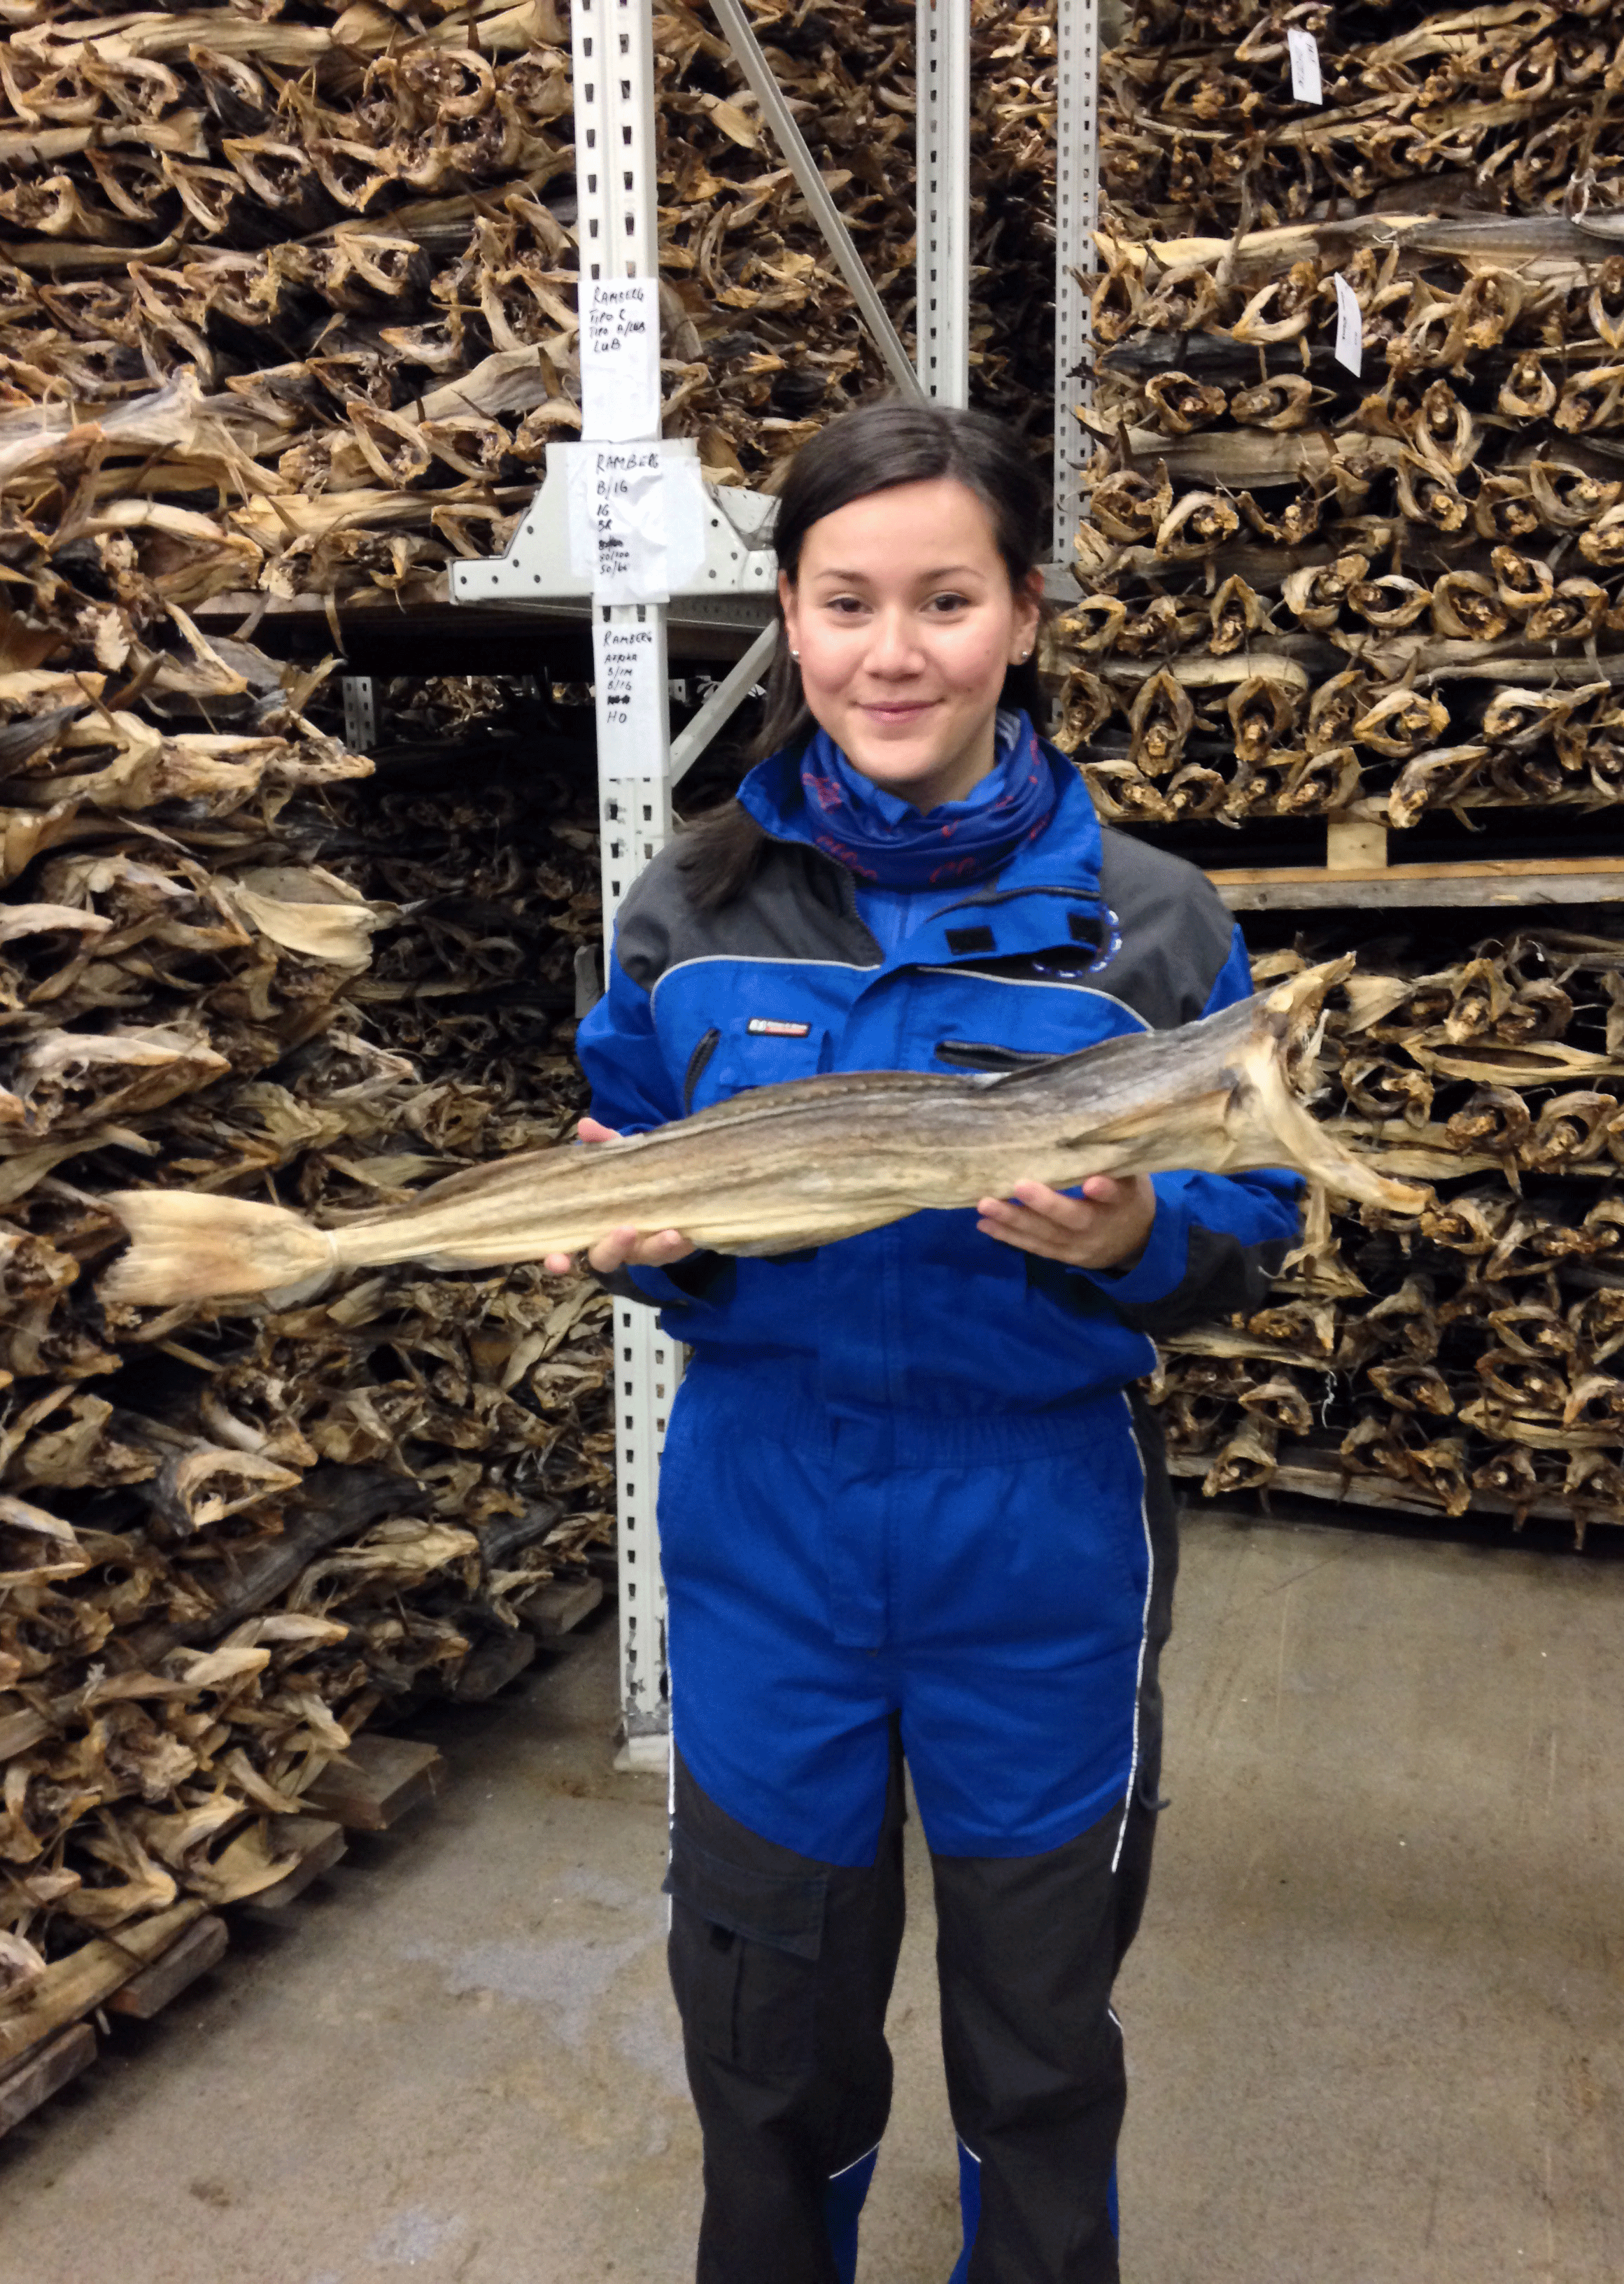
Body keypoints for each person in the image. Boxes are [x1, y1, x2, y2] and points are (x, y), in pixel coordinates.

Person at [551, 400, 1301, 2284]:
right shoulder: (687, 918)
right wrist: (633, 1246)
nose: (894, 652)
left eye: (945, 599)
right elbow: (645, 1188)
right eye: (846, 601)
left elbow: (1253, 1222)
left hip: (1038, 1537)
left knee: (1040, 2040)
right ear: (789, 624)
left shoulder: (1145, 929)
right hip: (770, 1535)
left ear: (1025, 614)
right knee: (768, 2036)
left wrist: (1143, 1231)